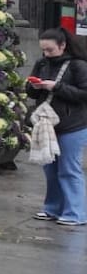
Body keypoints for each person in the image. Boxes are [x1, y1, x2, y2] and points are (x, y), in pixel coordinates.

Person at [28, 27, 87, 227]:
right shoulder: (42, 63)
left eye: (50, 50)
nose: (46, 54)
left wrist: (56, 87)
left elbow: (84, 94)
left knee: (69, 169)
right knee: (50, 169)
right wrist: (34, 86)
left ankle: (75, 213)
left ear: (63, 46)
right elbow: (31, 93)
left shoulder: (78, 65)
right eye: (43, 50)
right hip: (47, 123)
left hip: (73, 125)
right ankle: (52, 208)